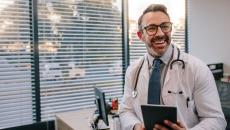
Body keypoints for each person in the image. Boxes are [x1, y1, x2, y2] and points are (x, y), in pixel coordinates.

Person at [118, 4, 227, 130]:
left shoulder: (198, 69)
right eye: (152, 28)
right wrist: (136, 126)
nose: (160, 33)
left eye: (165, 26)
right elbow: (126, 111)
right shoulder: (133, 71)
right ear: (140, 35)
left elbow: (216, 120)